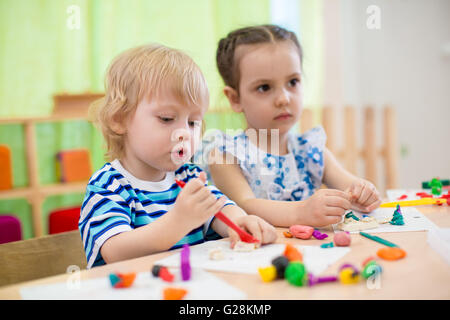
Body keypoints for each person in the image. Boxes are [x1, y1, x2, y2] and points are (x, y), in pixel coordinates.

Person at [79, 44, 276, 268]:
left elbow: (219, 208)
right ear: (119, 119)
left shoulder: (189, 175)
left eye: (193, 122)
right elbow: (115, 251)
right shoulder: (109, 185)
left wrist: (240, 222)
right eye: (166, 118)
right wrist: (177, 223)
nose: (184, 133)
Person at [194, 25, 381, 228]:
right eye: (264, 87)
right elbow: (244, 206)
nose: (283, 98)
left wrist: (363, 192)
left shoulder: (311, 150)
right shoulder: (226, 155)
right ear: (235, 98)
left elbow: (350, 187)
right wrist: (301, 213)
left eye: (293, 82)